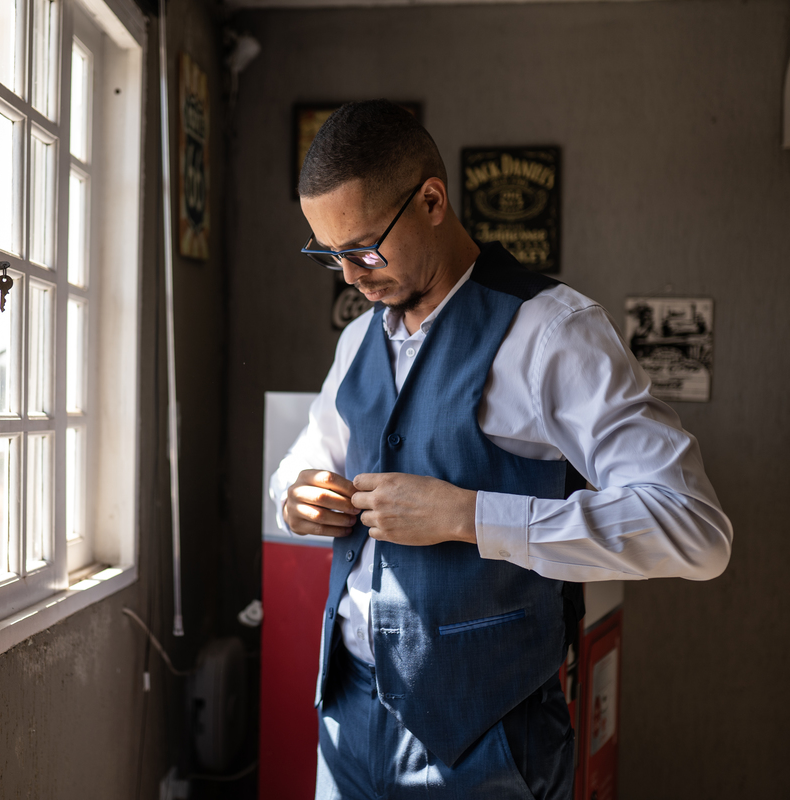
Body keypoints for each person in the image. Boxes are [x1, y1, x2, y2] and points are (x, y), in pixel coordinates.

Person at [269, 100, 732, 800]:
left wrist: (471, 516)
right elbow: (306, 458)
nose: (350, 276)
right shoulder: (357, 341)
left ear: (432, 200)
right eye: (328, 254)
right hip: (348, 724)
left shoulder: (553, 333)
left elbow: (695, 531)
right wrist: (294, 496)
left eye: (363, 248)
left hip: (488, 744)